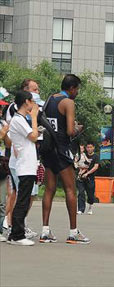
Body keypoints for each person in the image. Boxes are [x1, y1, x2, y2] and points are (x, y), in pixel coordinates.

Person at [40, 74, 90, 244]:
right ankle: (73, 232)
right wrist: (77, 129)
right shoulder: (68, 102)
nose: (77, 92)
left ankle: (45, 231)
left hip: (48, 149)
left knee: (49, 190)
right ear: (72, 88)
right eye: (77, 89)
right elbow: (69, 131)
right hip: (61, 149)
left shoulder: (50, 99)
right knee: (71, 189)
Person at [3, 79, 41, 239]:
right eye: (32, 100)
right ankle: (16, 234)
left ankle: (16, 233)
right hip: (24, 166)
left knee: (24, 199)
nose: (34, 103)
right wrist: (33, 117)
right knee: (22, 200)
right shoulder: (18, 119)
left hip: (27, 165)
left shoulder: (19, 120)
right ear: (26, 102)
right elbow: (33, 136)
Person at [76, 142, 99, 215]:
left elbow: (96, 167)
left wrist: (87, 173)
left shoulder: (96, 156)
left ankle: (90, 207)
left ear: (93, 147)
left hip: (90, 178)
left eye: (90, 147)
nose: (89, 149)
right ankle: (80, 209)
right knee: (81, 192)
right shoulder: (82, 155)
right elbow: (76, 163)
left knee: (90, 195)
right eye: (88, 147)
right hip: (81, 178)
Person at [0, 103, 10, 242]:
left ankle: (1, 230)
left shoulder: (3, 123)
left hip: (1, 163)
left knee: (2, 200)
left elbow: (8, 144)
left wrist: (6, 132)